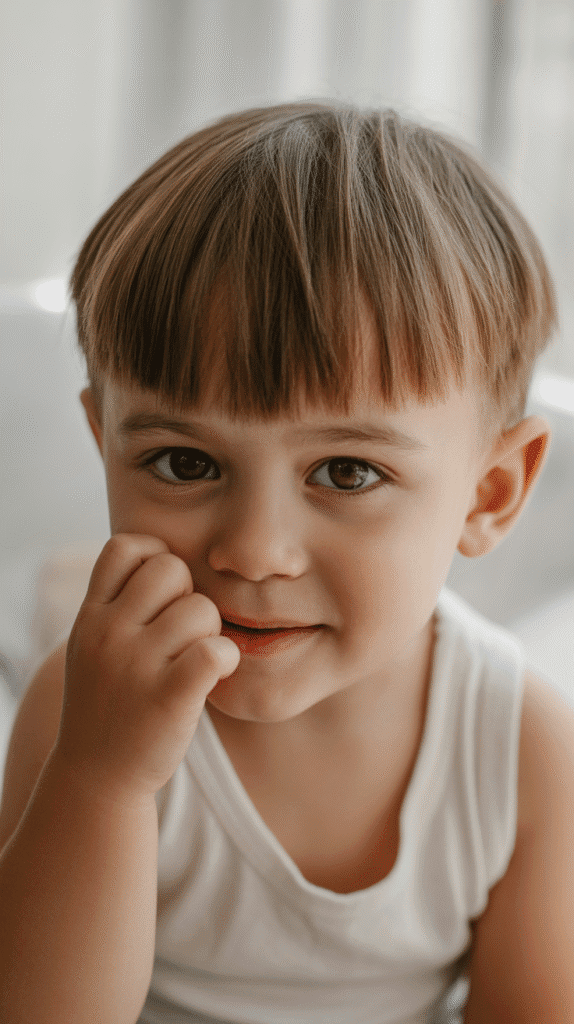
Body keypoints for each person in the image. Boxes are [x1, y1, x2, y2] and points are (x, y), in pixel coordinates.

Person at [0, 101, 573, 1024]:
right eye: (185, 464)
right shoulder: (88, 706)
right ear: (103, 443)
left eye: (347, 472)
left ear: (490, 493)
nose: (253, 552)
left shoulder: (518, 745)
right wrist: (104, 781)